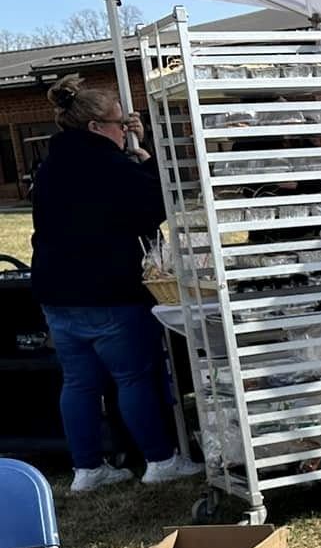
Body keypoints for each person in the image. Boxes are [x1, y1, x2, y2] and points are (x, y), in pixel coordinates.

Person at [29, 76, 203, 493]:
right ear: (95, 127)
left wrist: (133, 156)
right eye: (120, 123)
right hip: (108, 290)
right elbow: (150, 205)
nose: (125, 128)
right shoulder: (107, 165)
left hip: (56, 290)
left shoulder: (50, 165)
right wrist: (149, 159)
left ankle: (86, 469)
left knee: (78, 382)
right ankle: (160, 460)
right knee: (134, 377)